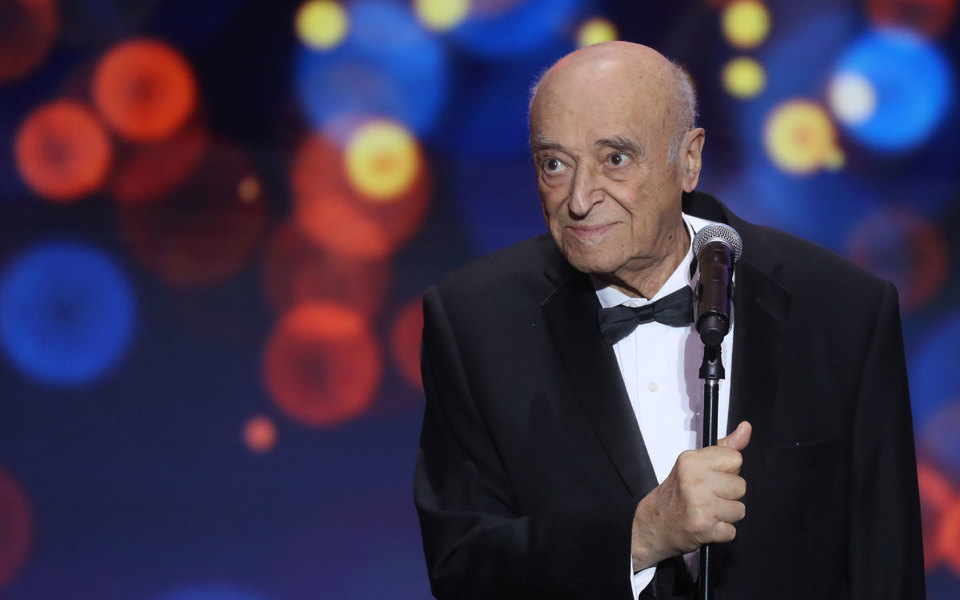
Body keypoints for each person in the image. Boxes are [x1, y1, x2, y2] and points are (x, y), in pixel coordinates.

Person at [414, 41, 925, 599]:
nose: (579, 199)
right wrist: (640, 535)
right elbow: (462, 566)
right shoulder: (474, 323)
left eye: (615, 159)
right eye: (554, 164)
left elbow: (885, 567)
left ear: (689, 160)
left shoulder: (842, 310)